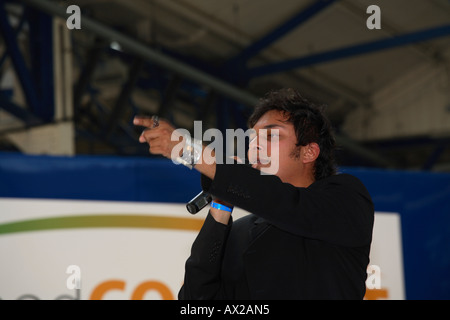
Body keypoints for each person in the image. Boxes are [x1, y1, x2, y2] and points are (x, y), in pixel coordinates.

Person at [134, 88, 374, 300]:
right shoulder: (240, 231)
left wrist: (188, 150)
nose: (255, 145)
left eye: (271, 136)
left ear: (309, 152)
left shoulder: (345, 197)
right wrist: (221, 208)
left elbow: (282, 202)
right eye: (252, 138)